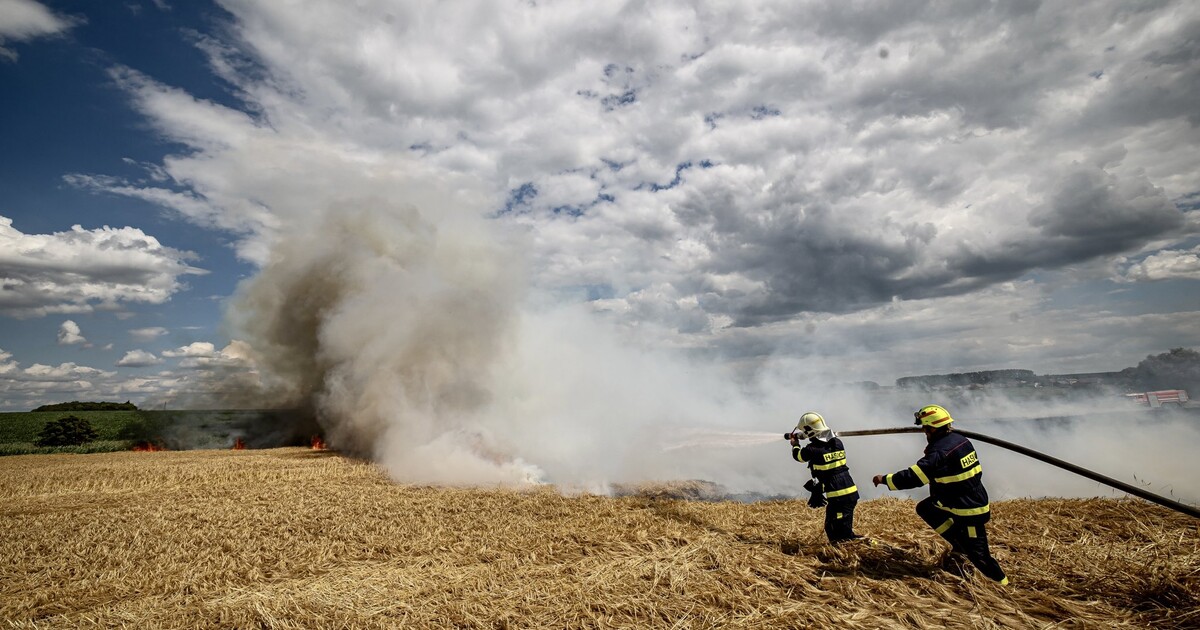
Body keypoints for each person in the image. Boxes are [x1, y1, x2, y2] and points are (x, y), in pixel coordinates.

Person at [872, 404, 1008, 584]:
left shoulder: (939, 452)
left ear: (933, 427)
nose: (924, 432)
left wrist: (885, 479)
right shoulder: (960, 440)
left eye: (925, 428)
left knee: (980, 556)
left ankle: (1003, 585)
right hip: (958, 499)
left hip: (968, 510)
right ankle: (959, 545)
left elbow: (914, 477)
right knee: (926, 508)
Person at [789, 412, 862, 544]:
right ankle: (849, 547)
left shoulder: (812, 450)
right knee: (836, 528)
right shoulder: (837, 443)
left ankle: (864, 545)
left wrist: (795, 444)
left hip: (839, 496)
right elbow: (826, 442)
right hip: (848, 492)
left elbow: (798, 456)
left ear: (809, 431)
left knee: (838, 532)